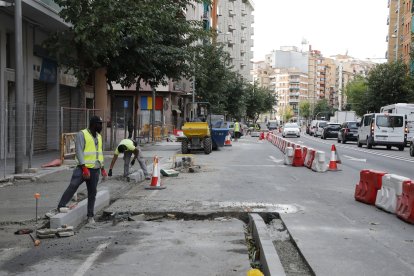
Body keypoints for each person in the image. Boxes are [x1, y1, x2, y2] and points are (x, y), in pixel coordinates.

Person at [57, 116, 107, 225]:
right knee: (73, 185)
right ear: (94, 124)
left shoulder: (98, 136)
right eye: (100, 124)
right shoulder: (82, 134)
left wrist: (103, 168)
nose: (101, 126)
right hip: (82, 168)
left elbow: (100, 153)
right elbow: (79, 151)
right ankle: (61, 205)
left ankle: (90, 216)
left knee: (92, 192)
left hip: (95, 169)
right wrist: (84, 168)